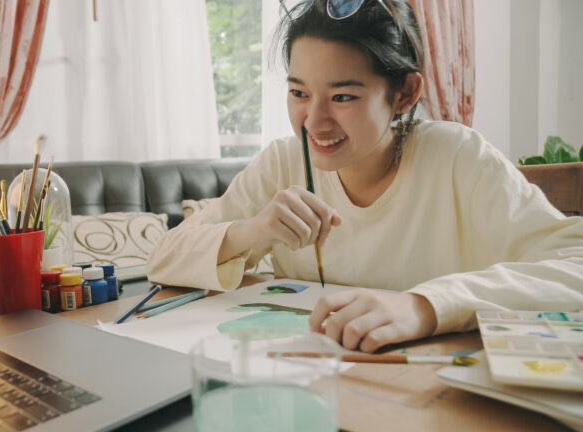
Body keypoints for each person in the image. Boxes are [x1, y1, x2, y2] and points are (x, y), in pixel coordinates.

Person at [147, 0, 583, 352]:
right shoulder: (283, 162)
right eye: (298, 92)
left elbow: (575, 266)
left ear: (404, 93)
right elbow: (163, 258)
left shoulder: (456, 157)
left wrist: (426, 306)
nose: (313, 122)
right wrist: (252, 230)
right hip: (311, 383)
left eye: (342, 96)